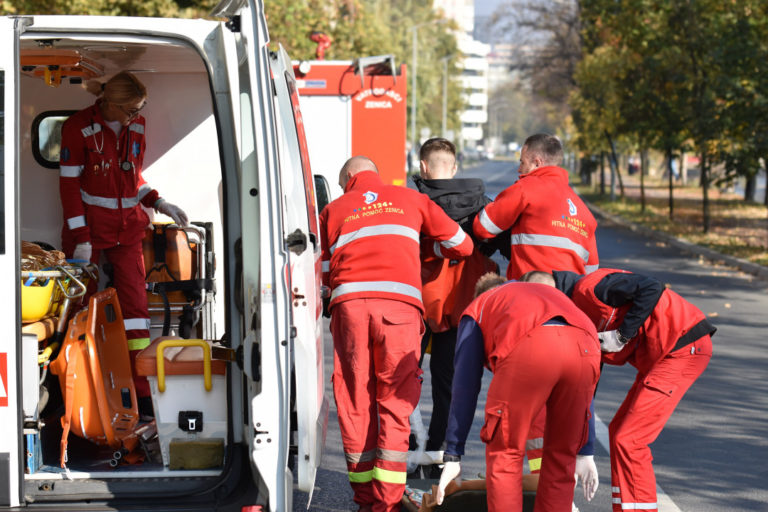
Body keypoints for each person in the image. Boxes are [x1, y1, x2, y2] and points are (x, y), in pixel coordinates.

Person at [320, 156, 474, 512]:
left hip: (351, 309)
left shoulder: (334, 209)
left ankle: (363, 499)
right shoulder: (411, 199)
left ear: (348, 178)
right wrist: (420, 248)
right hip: (399, 310)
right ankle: (388, 503)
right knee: (395, 402)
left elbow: (325, 274)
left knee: (355, 401)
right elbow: (462, 246)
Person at [522, 269, 715, 512]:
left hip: (683, 347)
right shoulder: (577, 316)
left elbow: (652, 286)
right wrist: (584, 451)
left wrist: (623, 335)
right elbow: (588, 384)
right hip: (664, 355)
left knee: (630, 439)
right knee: (618, 433)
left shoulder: (593, 289)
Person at [59, 71, 188, 406]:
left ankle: (141, 396)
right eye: (131, 110)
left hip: (127, 230)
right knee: (79, 311)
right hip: (88, 233)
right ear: (110, 104)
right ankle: (79, 391)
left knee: (136, 313)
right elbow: (69, 187)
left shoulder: (137, 126)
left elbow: (133, 178)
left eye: (139, 110)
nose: (136, 116)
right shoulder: (77, 128)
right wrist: (81, 238)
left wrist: (157, 201)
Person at [436, 273, 600, 512]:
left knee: (505, 455)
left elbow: (465, 385)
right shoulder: (551, 297)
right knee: (562, 459)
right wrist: (585, 451)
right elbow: (587, 393)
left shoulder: (479, 307)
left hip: (530, 348)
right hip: (585, 344)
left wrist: (453, 453)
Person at [409, 137, 504, 476]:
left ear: (423, 167)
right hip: (464, 306)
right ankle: (437, 456)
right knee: (449, 385)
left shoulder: (414, 204)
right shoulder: (483, 206)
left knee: (403, 381)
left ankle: (405, 451)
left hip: (417, 303)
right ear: (455, 167)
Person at [472, 133, 599, 280]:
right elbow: (591, 271)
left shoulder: (525, 188)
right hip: (568, 297)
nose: (519, 169)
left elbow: (483, 227)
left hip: (531, 291)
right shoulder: (584, 212)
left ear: (537, 163)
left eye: (522, 163)